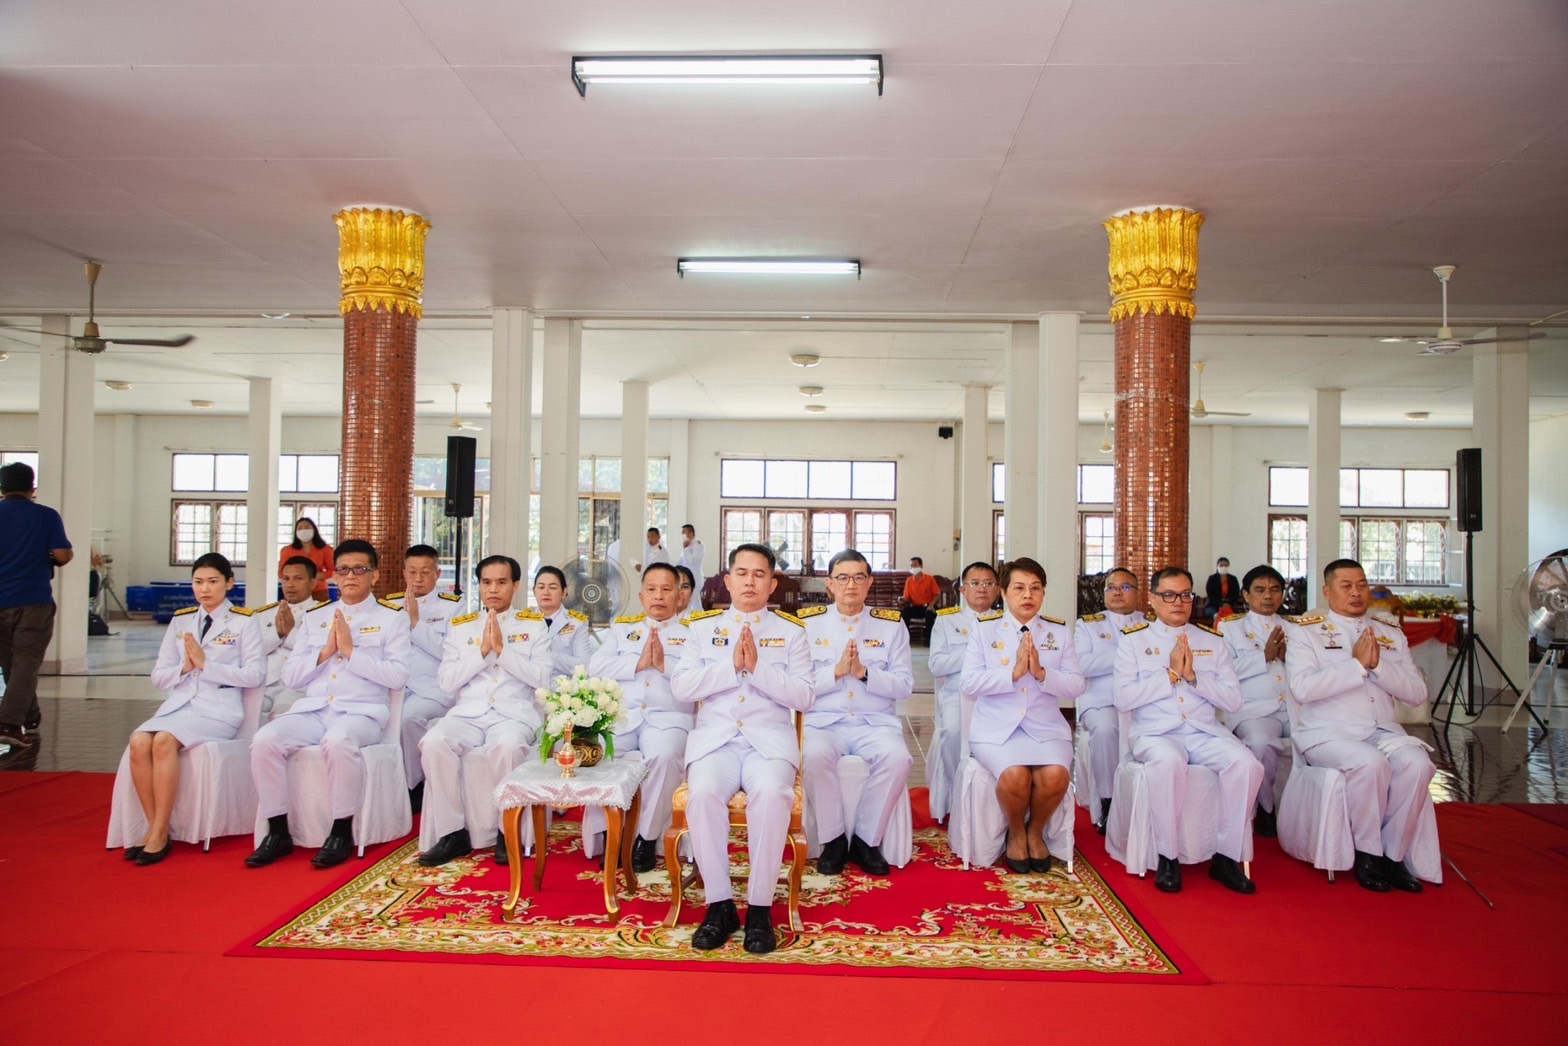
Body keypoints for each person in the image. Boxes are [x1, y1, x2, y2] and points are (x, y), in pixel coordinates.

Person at [671, 543, 813, 954]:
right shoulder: (700, 629)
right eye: (742, 573)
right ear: (727, 581)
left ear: (772, 584)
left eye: (759, 574)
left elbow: (804, 696)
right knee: (702, 795)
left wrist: (759, 669)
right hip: (716, 742)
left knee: (771, 795)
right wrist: (730, 667)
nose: (750, 581)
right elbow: (681, 687)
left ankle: (760, 909)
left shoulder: (792, 633)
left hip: (768, 744)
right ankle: (718, 905)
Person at [245, 539, 411, 869]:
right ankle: (277, 830)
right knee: (264, 740)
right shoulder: (315, 618)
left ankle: (340, 829)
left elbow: (397, 676)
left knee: (338, 741)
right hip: (315, 709)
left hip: (361, 713)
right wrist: (325, 653)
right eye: (343, 570)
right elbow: (292, 677)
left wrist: (351, 652)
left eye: (360, 569)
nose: (350, 576)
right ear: (334, 576)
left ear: (374, 577)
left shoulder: (393, 619)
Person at [1284, 559, 1433, 893]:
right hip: (1327, 732)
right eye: (1346, 586)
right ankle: (1368, 853)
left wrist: (1378, 667)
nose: (1356, 593)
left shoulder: (1389, 632)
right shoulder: (1306, 632)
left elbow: (1416, 695)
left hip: (1382, 731)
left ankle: (1393, 856)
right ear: (1327, 591)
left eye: (1362, 585)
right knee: (1370, 763)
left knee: (1418, 764)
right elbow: (1303, 688)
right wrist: (1356, 666)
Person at [1114, 566, 1261, 895]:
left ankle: (1226, 856)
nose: (1177, 602)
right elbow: (1123, 699)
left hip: (1203, 732)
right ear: (1152, 600)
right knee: (1168, 764)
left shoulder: (1211, 641)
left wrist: (1194, 678)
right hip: (1156, 732)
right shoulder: (1134, 642)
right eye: (1168, 595)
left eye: (1185, 595)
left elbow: (1233, 701)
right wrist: (1169, 675)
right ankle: (1168, 856)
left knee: (1248, 765)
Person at [123, 553, 266, 865]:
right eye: (198, 582)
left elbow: (255, 675)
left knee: (162, 741)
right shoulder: (181, 620)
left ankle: (160, 834)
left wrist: (207, 665)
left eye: (213, 581)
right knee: (138, 741)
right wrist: (186, 668)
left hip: (219, 710)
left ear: (229, 583)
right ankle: (153, 827)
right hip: (180, 706)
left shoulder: (244, 621)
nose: (205, 589)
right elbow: (159, 676)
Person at [417, 555, 552, 867]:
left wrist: (503, 651)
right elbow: (447, 681)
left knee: (507, 747)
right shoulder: (461, 627)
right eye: (487, 582)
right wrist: (482, 651)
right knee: (434, 743)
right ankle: (453, 833)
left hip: (512, 714)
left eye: (502, 582)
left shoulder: (533, 626)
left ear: (516, 586)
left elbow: (542, 679)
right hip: (468, 714)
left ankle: (508, 830)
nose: (493, 589)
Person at [960, 557, 1085, 873]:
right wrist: (1013, 672)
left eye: (1035, 588)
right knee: (1015, 774)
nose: (1027, 595)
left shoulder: (1058, 631)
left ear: (1043, 593)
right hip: (996, 729)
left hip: (1045, 727)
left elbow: (1076, 686)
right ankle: (1016, 832)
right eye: (1019, 588)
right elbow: (969, 683)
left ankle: (1035, 830)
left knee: (1056, 774)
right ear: (1003, 593)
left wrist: (1042, 673)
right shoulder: (984, 630)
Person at [798, 549, 914, 876]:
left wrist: (864, 673)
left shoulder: (891, 626)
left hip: (874, 723)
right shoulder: (807, 624)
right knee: (813, 754)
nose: (851, 585)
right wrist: (835, 672)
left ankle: (866, 840)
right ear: (829, 584)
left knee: (898, 758)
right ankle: (833, 839)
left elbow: (904, 685)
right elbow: (798, 684)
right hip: (824, 721)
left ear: (870, 583)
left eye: (859, 577)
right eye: (843, 578)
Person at [584, 562, 694, 872]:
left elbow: (699, 680)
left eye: (666, 589)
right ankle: (607, 831)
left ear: (680, 596)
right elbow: (596, 666)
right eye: (651, 589)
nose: (658, 596)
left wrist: (663, 666)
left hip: (669, 718)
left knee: (664, 755)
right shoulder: (623, 628)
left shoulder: (692, 634)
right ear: (642, 594)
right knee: (597, 752)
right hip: (624, 716)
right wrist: (637, 663)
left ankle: (646, 838)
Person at [0, 462, 72, 748]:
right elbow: (63, 555)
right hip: (33, 601)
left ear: (2, 489)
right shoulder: (46, 516)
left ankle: (29, 715)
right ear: (32, 488)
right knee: (26, 663)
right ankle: (8, 723)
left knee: (10, 663)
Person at [1219, 565, 1293, 838]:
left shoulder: (1296, 628)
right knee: (1261, 743)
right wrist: (1263, 656)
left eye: (1275, 590)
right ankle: (1265, 808)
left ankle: (1303, 809)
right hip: (1254, 710)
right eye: (1260, 590)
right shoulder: (1230, 628)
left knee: (1318, 738)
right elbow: (1223, 672)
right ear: (1246, 595)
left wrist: (1288, 658)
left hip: (1295, 708)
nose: (1268, 596)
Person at [390, 544, 463, 810]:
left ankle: (415, 784)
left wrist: (415, 622)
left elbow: (448, 651)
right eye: (412, 572)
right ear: (404, 573)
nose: (418, 579)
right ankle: (388, 783)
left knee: (407, 718)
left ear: (437, 573)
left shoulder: (454, 607)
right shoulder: (390, 605)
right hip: (396, 685)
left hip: (433, 687)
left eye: (425, 572)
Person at [925, 561, 999, 822]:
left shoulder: (1005, 622)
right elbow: (936, 665)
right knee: (954, 731)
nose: (982, 589)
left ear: (998, 590)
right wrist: (973, 648)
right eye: (975, 584)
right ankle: (958, 797)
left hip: (996, 698)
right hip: (957, 696)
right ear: (963, 590)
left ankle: (996, 802)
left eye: (988, 583)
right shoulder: (947, 621)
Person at [1073, 567, 1144, 833]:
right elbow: (1082, 664)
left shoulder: (1150, 624)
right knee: (1105, 729)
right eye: (1111, 587)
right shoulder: (1088, 625)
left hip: (1142, 701)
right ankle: (1108, 800)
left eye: (1125, 587)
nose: (1117, 592)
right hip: (1101, 700)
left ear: (1137, 594)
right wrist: (1129, 654)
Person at [253, 555, 321, 716]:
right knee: (248, 712)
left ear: (312, 583)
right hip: (267, 683)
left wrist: (291, 633)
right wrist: (277, 633)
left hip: (299, 685)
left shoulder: (321, 613)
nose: (290, 584)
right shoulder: (264, 614)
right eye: (286, 579)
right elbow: (253, 649)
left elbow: (320, 650)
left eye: (298, 578)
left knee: (280, 716)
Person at [532, 565, 592, 679]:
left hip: (562, 689)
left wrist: (545, 654)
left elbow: (584, 666)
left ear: (564, 592)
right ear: (534, 591)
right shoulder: (524, 620)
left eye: (553, 588)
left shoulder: (577, 622)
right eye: (541, 587)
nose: (546, 592)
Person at [280, 517, 334, 601]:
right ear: (296, 532)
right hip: (295, 591)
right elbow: (281, 573)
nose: (303, 530)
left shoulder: (326, 549)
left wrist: (319, 575)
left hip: (319, 591)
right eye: (300, 528)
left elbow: (333, 570)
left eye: (307, 527)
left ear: (314, 530)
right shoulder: (287, 551)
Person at [900, 556, 941, 643]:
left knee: (929, 614)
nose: (913, 567)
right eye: (911, 565)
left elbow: (937, 594)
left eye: (915, 565)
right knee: (905, 612)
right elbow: (907, 597)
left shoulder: (929, 578)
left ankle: (928, 640)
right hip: (917, 607)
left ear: (921, 566)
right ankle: (906, 639)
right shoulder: (909, 580)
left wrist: (931, 605)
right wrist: (901, 599)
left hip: (929, 606)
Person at [1203, 557, 1245, 623]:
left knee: (1233, 616)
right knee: (1211, 612)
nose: (1223, 567)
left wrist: (1229, 604)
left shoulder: (1233, 579)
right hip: (1214, 605)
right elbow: (1210, 595)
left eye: (1226, 565)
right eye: (1221, 565)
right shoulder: (1212, 579)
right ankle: (1217, 621)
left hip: (1230, 605)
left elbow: (1236, 594)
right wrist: (1221, 604)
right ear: (1217, 566)